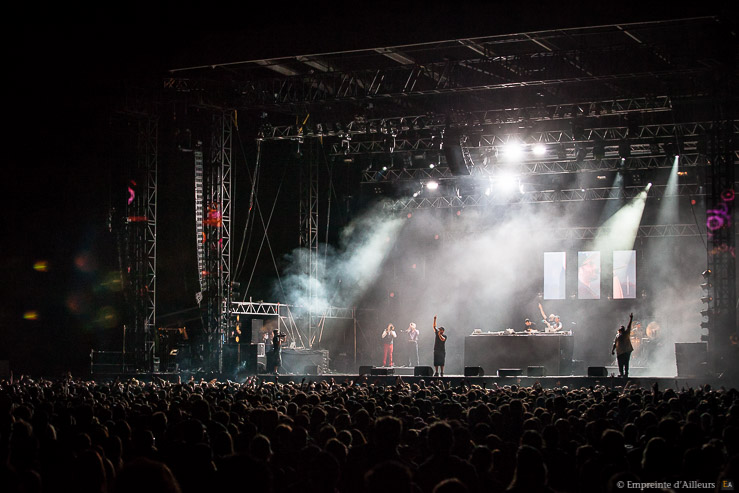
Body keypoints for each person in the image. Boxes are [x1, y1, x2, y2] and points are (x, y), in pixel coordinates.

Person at [611, 312, 634, 378]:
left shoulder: (626, 333)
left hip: (626, 351)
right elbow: (614, 343)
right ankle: (621, 373)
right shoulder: (617, 336)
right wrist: (612, 350)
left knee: (626, 363)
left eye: (622, 329)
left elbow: (629, 326)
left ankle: (626, 373)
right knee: (620, 363)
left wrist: (631, 318)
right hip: (619, 352)